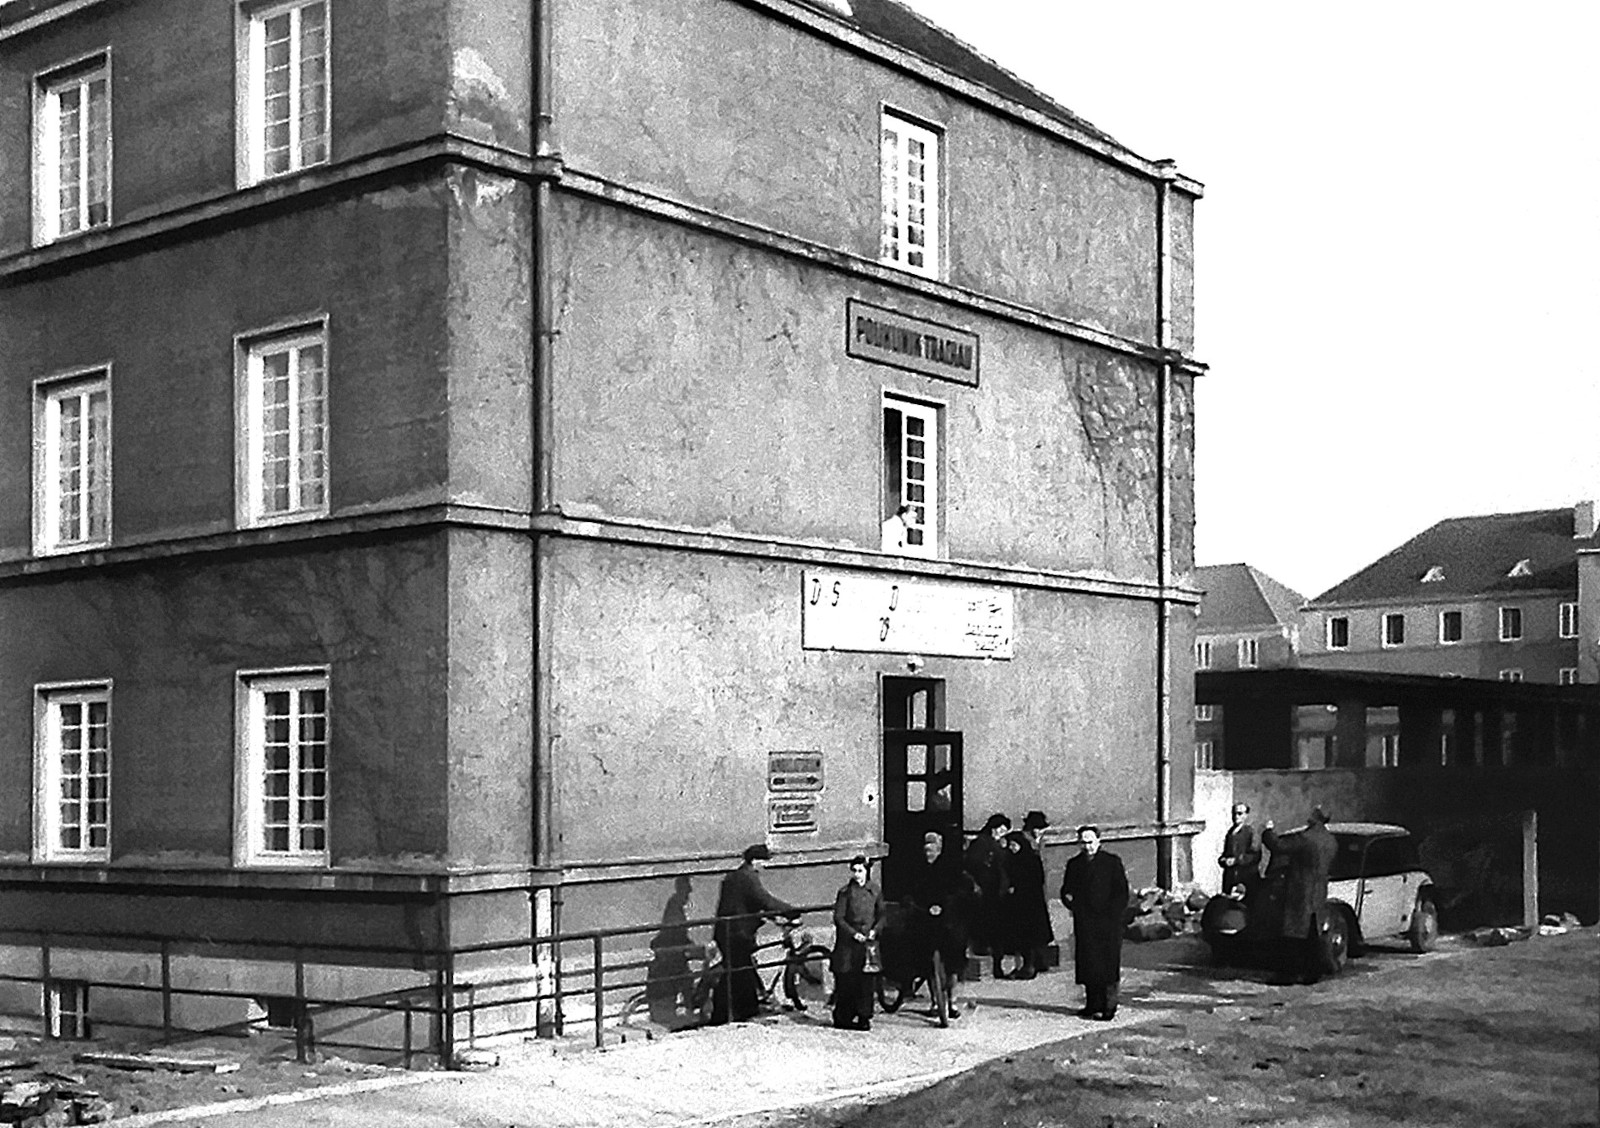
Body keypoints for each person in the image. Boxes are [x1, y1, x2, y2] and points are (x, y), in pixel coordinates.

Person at [711, 844, 798, 1025]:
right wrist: (791, 912)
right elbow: (764, 900)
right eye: (764, 862)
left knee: (737, 971)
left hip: (727, 931)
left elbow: (747, 903)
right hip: (737, 934)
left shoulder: (734, 876)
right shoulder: (748, 878)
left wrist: (769, 916)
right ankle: (736, 1013)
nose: (764, 867)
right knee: (739, 972)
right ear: (755, 861)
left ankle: (727, 1013)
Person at [1261, 806, 1338, 985]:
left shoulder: (1306, 838)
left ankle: (1288, 975)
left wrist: (1268, 831)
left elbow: (1278, 846)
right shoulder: (1331, 840)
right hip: (1318, 892)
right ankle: (1312, 974)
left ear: (1314, 817)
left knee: (1292, 935)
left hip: (1301, 891)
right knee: (1312, 934)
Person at [1059, 824, 1129, 1020]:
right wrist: (1072, 904)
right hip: (1085, 922)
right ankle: (1092, 1004)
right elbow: (1066, 890)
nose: (1087, 847)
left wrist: (1113, 914)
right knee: (1089, 964)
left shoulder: (1111, 862)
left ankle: (1109, 1006)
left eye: (1090, 842)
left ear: (1099, 841)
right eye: (1083, 843)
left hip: (1108, 922)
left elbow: (1121, 892)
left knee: (1107, 964)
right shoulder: (1074, 864)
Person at [904, 830, 974, 1017]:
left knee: (954, 963)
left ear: (939, 850)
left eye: (932, 850)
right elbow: (911, 891)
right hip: (926, 921)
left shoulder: (952, 868)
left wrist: (947, 904)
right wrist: (911, 902)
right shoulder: (918, 869)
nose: (928, 854)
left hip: (950, 921)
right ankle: (936, 1001)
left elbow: (964, 890)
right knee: (927, 962)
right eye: (926, 850)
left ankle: (952, 1001)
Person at [831, 855, 887, 1030]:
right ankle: (844, 1017)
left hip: (867, 944)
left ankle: (864, 1016)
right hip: (848, 945)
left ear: (866, 872)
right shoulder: (845, 892)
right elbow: (839, 918)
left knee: (866, 981)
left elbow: (882, 915)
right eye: (854, 871)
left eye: (860, 871)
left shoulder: (875, 891)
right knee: (847, 980)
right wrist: (853, 934)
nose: (857, 875)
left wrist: (875, 931)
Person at [998, 827, 1052, 979]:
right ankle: (1030, 964)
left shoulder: (1030, 859)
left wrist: (1018, 887)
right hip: (1017, 905)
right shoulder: (1010, 859)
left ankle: (1031, 966)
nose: (1011, 848)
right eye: (1010, 845)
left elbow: (1036, 879)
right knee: (1023, 938)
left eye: (1014, 845)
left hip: (1030, 904)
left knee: (1030, 937)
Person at [964, 812, 1012, 978]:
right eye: (1001, 830)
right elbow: (973, 865)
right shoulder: (982, 844)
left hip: (995, 891)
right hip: (986, 892)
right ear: (993, 828)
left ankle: (997, 962)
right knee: (990, 926)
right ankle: (991, 957)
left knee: (996, 927)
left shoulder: (994, 844)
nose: (1002, 834)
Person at [1219, 802, 1263, 897]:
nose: (1236, 816)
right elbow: (1226, 853)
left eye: (1240, 814)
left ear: (1246, 815)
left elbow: (1255, 856)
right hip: (1231, 879)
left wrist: (1236, 860)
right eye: (1234, 813)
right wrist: (1223, 860)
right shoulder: (1230, 833)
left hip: (1246, 878)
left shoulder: (1251, 832)